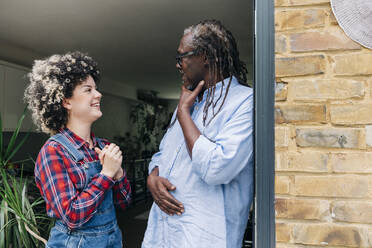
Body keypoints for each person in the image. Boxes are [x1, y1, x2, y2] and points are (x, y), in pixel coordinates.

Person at [142, 20, 253, 248]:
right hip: (163, 235)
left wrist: (184, 114)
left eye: (182, 56)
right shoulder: (191, 101)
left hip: (203, 238)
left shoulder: (244, 102)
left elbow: (216, 168)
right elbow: (163, 155)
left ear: (204, 56)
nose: (178, 64)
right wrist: (153, 176)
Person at [24, 51, 131, 248]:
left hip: (113, 239)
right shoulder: (53, 152)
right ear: (66, 101)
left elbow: (124, 203)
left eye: (96, 89)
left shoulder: (103, 146)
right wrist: (106, 174)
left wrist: (118, 173)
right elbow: (72, 216)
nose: (98, 94)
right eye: (88, 90)